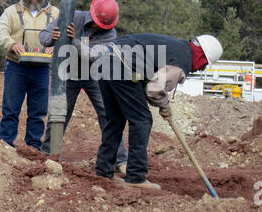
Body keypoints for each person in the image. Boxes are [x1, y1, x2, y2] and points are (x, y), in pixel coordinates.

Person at [71, 32, 223, 190]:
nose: (200, 69)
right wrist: (164, 106)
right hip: (123, 66)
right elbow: (154, 89)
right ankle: (136, 176)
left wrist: (164, 104)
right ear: (203, 58)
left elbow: (146, 80)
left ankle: (103, 171)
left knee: (115, 120)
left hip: (106, 61)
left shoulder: (176, 47)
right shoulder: (181, 61)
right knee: (142, 120)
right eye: (204, 65)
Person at [39, 0, 128, 173]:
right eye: (96, 24)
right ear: (92, 14)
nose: (97, 28)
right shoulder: (73, 17)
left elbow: (94, 55)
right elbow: (42, 36)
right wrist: (53, 37)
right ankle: (49, 152)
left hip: (95, 76)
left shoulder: (111, 33)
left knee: (109, 115)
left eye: (101, 26)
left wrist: (73, 41)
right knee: (59, 113)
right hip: (67, 73)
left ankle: (121, 160)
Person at [0, 0, 59, 150]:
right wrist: (12, 44)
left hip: (41, 69)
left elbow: (66, 35)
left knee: (38, 111)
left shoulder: (54, 13)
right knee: (11, 108)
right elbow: (1, 33)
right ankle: (6, 146)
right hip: (16, 66)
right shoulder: (11, 12)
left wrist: (56, 46)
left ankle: (33, 146)